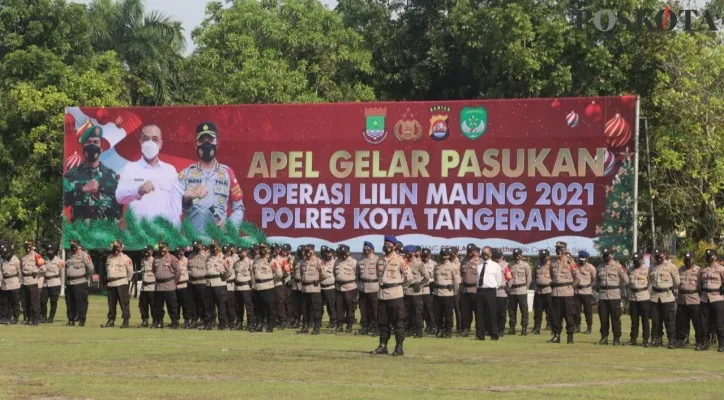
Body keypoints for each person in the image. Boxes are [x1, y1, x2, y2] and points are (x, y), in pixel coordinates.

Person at [179, 122, 245, 236]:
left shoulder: (227, 173)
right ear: (196, 145)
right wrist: (187, 197)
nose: (206, 144)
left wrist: (230, 226)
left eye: (210, 140)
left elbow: (239, 208)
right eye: (202, 141)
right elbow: (173, 207)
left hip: (219, 238)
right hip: (193, 238)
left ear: (217, 144)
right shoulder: (186, 173)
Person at [115, 124, 182, 225]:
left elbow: (176, 209)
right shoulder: (130, 168)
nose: (150, 143)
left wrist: (174, 235)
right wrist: (138, 191)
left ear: (160, 144)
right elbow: (119, 197)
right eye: (146, 139)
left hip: (163, 236)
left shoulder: (170, 171)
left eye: (155, 139)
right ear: (141, 142)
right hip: (137, 235)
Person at [63, 125, 121, 222]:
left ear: (101, 148)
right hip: (80, 235)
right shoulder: (71, 175)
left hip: (104, 234)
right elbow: (62, 201)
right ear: (83, 147)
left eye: (95, 142)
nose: (92, 145)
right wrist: (82, 189)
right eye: (88, 142)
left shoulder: (112, 176)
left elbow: (118, 210)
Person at [371, 235, 413, 355]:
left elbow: (409, 278)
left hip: (395, 295)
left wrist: (399, 287)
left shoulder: (400, 260)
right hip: (382, 295)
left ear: (394, 246)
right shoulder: (379, 260)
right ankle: (383, 345)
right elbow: (379, 276)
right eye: (385, 244)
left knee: (398, 322)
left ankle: (399, 347)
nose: (387, 246)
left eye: (389, 244)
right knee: (383, 322)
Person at [595, 248, 628, 345]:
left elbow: (626, 280)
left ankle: (616, 338)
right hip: (603, 296)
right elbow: (596, 280)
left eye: (607, 255)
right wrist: (598, 288)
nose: (605, 257)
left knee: (615, 318)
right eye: (604, 255)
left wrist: (618, 288)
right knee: (603, 319)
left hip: (614, 295)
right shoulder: (600, 267)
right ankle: (604, 338)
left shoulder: (618, 266)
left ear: (611, 255)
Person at [649, 249, 680, 349]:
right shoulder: (652, 267)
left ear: (665, 256)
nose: (658, 258)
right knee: (655, 320)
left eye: (660, 256)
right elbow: (650, 280)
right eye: (656, 256)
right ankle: (656, 339)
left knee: (669, 320)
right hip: (654, 296)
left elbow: (677, 282)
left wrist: (668, 287)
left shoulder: (671, 266)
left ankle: (671, 340)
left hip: (667, 296)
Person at [548, 242, 578, 344]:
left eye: (560, 248)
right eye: (557, 248)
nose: (558, 250)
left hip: (567, 293)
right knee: (555, 316)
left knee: (569, 315)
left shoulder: (570, 262)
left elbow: (577, 278)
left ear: (565, 249)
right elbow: (551, 275)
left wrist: (570, 287)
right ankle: (556, 336)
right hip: (556, 292)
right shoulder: (553, 262)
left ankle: (570, 337)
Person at [101, 240, 133, 328]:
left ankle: (125, 321)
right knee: (111, 304)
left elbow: (130, 272)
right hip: (111, 283)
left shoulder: (126, 258)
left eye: (117, 247)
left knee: (124, 303)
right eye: (114, 247)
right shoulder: (109, 257)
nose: (115, 249)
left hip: (121, 282)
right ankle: (111, 320)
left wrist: (127, 281)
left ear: (121, 248)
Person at [675, 252, 703, 349]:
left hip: (694, 299)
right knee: (681, 322)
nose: (687, 262)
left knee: (697, 322)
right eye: (686, 260)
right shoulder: (680, 270)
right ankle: (682, 339)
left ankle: (699, 341)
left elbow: (702, 285)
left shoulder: (699, 271)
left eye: (689, 260)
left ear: (694, 260)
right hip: (682, 299)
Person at [252, 243, 281, 332]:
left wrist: (270, 280)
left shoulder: (272, 260)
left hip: (268, 287)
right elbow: (253, 272)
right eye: (260, 248)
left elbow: (279, 274)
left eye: (264, 248)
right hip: (257, 287)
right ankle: (259, 324)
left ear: (268, 249)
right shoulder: (256, 259)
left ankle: (270, 325)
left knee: (270, 308)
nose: (262, 250)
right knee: (258, 308)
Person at [475, 246, 502, 341]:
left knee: (491, 314)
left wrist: (493, 287)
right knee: (479, 314)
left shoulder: (495, 266)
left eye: (486, 253)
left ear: (490, 254)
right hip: (480, 291)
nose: (484, 255)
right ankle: (480, 335)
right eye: (483, 253)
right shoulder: (478, 265)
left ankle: (494, 335)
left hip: (490, 291)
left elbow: (499, 281)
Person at [699, 249, 724, 352]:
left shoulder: (721, 269)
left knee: (719, 323)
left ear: (715, 257)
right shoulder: (703, 270)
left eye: (711, 256)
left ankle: (722, 344)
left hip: (717, 297)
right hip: (705, 298)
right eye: (707, 256)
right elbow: (699, 283)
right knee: (704, 322)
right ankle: (705, 343)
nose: (709, 258)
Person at [433, 247, 460, 339]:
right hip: (437, 293)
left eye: (445, 255)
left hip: (448, 293)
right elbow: (435, 279)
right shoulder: (437, 266)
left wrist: (455, 292)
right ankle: (439, 330)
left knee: (448, 313)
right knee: (438, 313)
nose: (443, 257)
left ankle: (448, 331)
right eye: (442, 255)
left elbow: (456, 281)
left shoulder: (453, 266)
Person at [402, 245, 429, 338]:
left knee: (418, 313)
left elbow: (427, 277)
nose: (406, 254)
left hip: (416, 292)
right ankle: (408, 330)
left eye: (408, 253)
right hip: (405, 291)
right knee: (406, 313)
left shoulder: (419, 264)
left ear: (413, 253)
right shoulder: (403, 263)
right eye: (405, 252)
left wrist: (420, 284)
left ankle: (418, 331)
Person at [65, 239, 94, 326]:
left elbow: (91, 269)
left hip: (80, 282)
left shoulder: (84, 255)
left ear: (78, 246)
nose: (73, 248)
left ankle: (82, 320)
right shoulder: (69, 254)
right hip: (69, 282)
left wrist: (86, 277)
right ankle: (71, 320)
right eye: (71, 246)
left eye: (74, 246)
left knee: (81, 302)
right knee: (69, 302)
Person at [626, 252, 651, 347]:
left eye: (637, 261)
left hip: (644, 297)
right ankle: (633, 339)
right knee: (634, 320)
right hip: (633, 297)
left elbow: (651, 283)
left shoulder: (647, 270)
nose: (635, 263)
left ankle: (645, 340)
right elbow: (627, 281)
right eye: (634, 261)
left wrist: (646, 292)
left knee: (645, 320)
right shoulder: (629, 270)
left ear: (641, 260)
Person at [298, 245, 323, 335]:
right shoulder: (303, 261)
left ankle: (316, 327)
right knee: (305, 309)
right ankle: (305, 326)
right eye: (306, 251)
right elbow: (301, 273)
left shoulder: (318, 261)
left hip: (314, 288)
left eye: (309, 251)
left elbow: (324, 274)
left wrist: (317, 280)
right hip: (304, 289)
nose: (307, 253)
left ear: (313, 251)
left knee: (316, 309)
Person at [205, 240, 229, 330]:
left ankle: (222, 324)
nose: (212, 248)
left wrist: (223, 277)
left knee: (221, 304)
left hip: (219, 283)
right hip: (209, 283)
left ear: (218, 247)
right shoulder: (208, 258)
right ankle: (208, 323)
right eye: (211, 246)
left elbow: (229, 271)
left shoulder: (224, 258)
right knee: (209, 305)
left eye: (214, 246)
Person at [20, 241, 45, 325]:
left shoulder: (36, 255)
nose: (27, 247)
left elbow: (43, 267)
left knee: (34, 302)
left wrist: (36, 271)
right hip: (24, 281)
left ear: (32, 246)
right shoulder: (23, 256)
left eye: (28, 246)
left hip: (32, 281)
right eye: (25, 245)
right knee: (25, 302)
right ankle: (27, 318)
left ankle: (35, 319)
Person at [334, 244, 359, 333]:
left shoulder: (354, 262)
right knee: (339, 307)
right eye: (341, 253)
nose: (342, 255)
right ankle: (340, 325)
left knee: (350, 308)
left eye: (344, 253)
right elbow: (334, 273)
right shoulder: (337, 261)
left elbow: (358, 275)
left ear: (348, 253)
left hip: (350, 287)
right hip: (339, 288)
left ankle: (349, 326)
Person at [507, 248, 531, 336]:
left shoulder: (525, 265)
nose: (516, 256)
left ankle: (524, 328)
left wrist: (525, 288)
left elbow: (529, 278)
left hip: (522, 290)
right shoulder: (510, 265)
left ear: (521, 255)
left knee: (524, 310)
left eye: (518, 254)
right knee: (511, 310)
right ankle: (512, 327)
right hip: (512, 290)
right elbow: (508, 277)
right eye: (515, 254)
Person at [357, 241, 379, 336]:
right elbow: (357, 274)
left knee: (374, 309)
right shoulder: (360, 260)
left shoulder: (378, 260)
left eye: (367, 248)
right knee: (363, 309)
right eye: (364, 248)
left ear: (372, 250)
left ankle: (375, 327)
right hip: (362, 287)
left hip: (373, 287)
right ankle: (365, 327)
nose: (365, 250)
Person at [459, 246, 480, 338]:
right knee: (465, 312)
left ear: (475, 251)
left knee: (478, 312)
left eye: (471, 251)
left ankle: (479, 330)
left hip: (475, 290)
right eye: (468, 250)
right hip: (465, 290)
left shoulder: (480, 262)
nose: (469, 252)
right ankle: (466, 329)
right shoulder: (463, 261)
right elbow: (460, 274)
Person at [574, 251, 596, 334]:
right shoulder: (575, 266)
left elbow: (594, 279)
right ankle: (577, 326)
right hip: (576, 291)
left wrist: (589, 286)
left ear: (586, 259)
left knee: (588, 311)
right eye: (580, 259)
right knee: (576, 310)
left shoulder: (591, 267)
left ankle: (589, 327)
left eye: (583, 259)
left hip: (586, 292)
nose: (581, 261)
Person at [40, 244, 63, 324]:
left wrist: (62, 285)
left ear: (54, 251)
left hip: (55, 283)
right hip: (46, 283)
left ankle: (51, 318)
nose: (49, 252)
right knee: (43, 301)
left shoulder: (59, 261)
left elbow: (62, 274)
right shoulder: (45, 260)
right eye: (48, 250)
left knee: (53, 302)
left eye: (51, 250)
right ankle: (44, 317)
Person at [233, 247, 255, 330]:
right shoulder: (236, 263)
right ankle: (239, 323)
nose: (240, 254)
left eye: (241, 252)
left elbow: (253, 274)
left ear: (245, 252)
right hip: (237, 287)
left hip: (246, 287)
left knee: (249, 307)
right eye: (238, 252)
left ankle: (251, 323)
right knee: (238, 307)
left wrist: (252, 286)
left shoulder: (250, 262)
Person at [187, 240, 207, 328]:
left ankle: (204, 319)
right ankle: (194, 319)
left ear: (201, 246)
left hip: (202, 282)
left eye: (197, 246)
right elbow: (188, 268)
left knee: (203, 302)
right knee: (192, 302)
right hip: (191, 282)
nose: (195, 248)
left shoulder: (206, 256)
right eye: (194, 246)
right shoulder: (190, 256)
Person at [532, 249, 552, 335]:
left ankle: (550, 325)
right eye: (541, 257)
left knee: (550, 310)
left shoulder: (551, 264)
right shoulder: (537, 263)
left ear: (548, 257)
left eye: (544, 257)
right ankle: (537, 328)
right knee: (538, 311)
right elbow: (533, 276)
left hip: (548, 290)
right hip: (538, 291)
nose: (542, 258)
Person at [0, 243, 21, 324]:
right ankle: (4, 317)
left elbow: (20, 273)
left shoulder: (16, 260)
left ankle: (15, 317)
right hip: (5, 284)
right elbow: (1, 273)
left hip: (14, 283)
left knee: (15, 302)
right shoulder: (3, 261)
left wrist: (21, 284)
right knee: (4, 302)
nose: (5, 255)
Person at [493, 248, 511, 337]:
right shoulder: (490, 264)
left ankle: (501, 329)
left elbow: (509, 278)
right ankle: (492, 329)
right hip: (492, 292)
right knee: (492, 312)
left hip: (502, 292)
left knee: (502, 313)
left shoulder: (506, 265)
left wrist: (509, 288)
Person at [174, 246, 194, 329]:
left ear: (183, 252)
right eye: (177, 252)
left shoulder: (186, 260)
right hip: (175, 285)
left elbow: (190, 271)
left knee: (186, 304)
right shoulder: (174, 260)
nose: (179, 254)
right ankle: (176, 320)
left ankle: (187, 320)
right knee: (176, 304)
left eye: (180, 252)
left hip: (184, 285)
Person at [319, 246, 337, 329]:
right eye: (326, 253)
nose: (327, 254)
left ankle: (333, 321)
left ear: (332, 254)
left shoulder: (335, 263)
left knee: (331, 306)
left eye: (329, 253)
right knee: (319, 306)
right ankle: (318, 321)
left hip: (330, 288)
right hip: (321, 287)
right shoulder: (321, 262)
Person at [138, 245, 156, 328]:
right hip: (143, 286)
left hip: (152, 285)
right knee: (143, 305)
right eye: (144, 251)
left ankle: (155, 320)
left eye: (147, 251)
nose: (145, 253)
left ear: (151, 251)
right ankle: (145, 320)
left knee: (153, 305)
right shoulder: (142, 260)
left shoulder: (155, 260)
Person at [420, 247, 437, 335]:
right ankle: (421, 326)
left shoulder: (433, 264)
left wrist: (431, 281)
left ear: (429, 255)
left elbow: (436, 276)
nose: (424, 257)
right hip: (418, 289)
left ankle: (432, 326)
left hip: (428, 288)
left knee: (429, 308)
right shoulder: (418, 263)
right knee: (420, 309)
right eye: (423, 255)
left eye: (426, 255)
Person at [223, 245, 237, 330]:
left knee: (231, 304)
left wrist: (224, 277)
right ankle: (227, 320)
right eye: (224, 251)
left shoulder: (229, 259)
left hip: (230, 284)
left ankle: (232, 321)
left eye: (227, 252)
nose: (225, 253)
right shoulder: (223, 259)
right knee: (225, 304)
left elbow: (229, 271)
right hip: (224, 284)